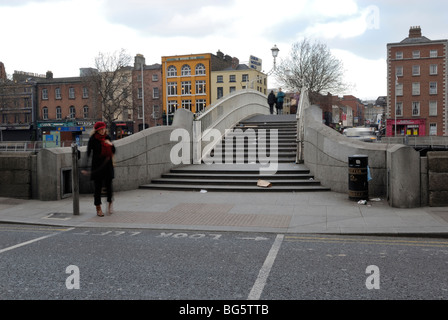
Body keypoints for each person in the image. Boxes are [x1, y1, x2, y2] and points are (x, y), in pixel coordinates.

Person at [83, 121, 116, 217]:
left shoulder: (108, 138)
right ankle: (98, 208)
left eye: (103, 129)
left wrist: (110, 144)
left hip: (107, 165)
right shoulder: (93, 139)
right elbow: (88, 153)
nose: (102, 131)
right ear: (96, 130)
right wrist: (86, 168)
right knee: (97, 188)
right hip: (97, 166)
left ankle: (110, 204)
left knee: (109, 187)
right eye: (100, 129)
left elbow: (114, 151)